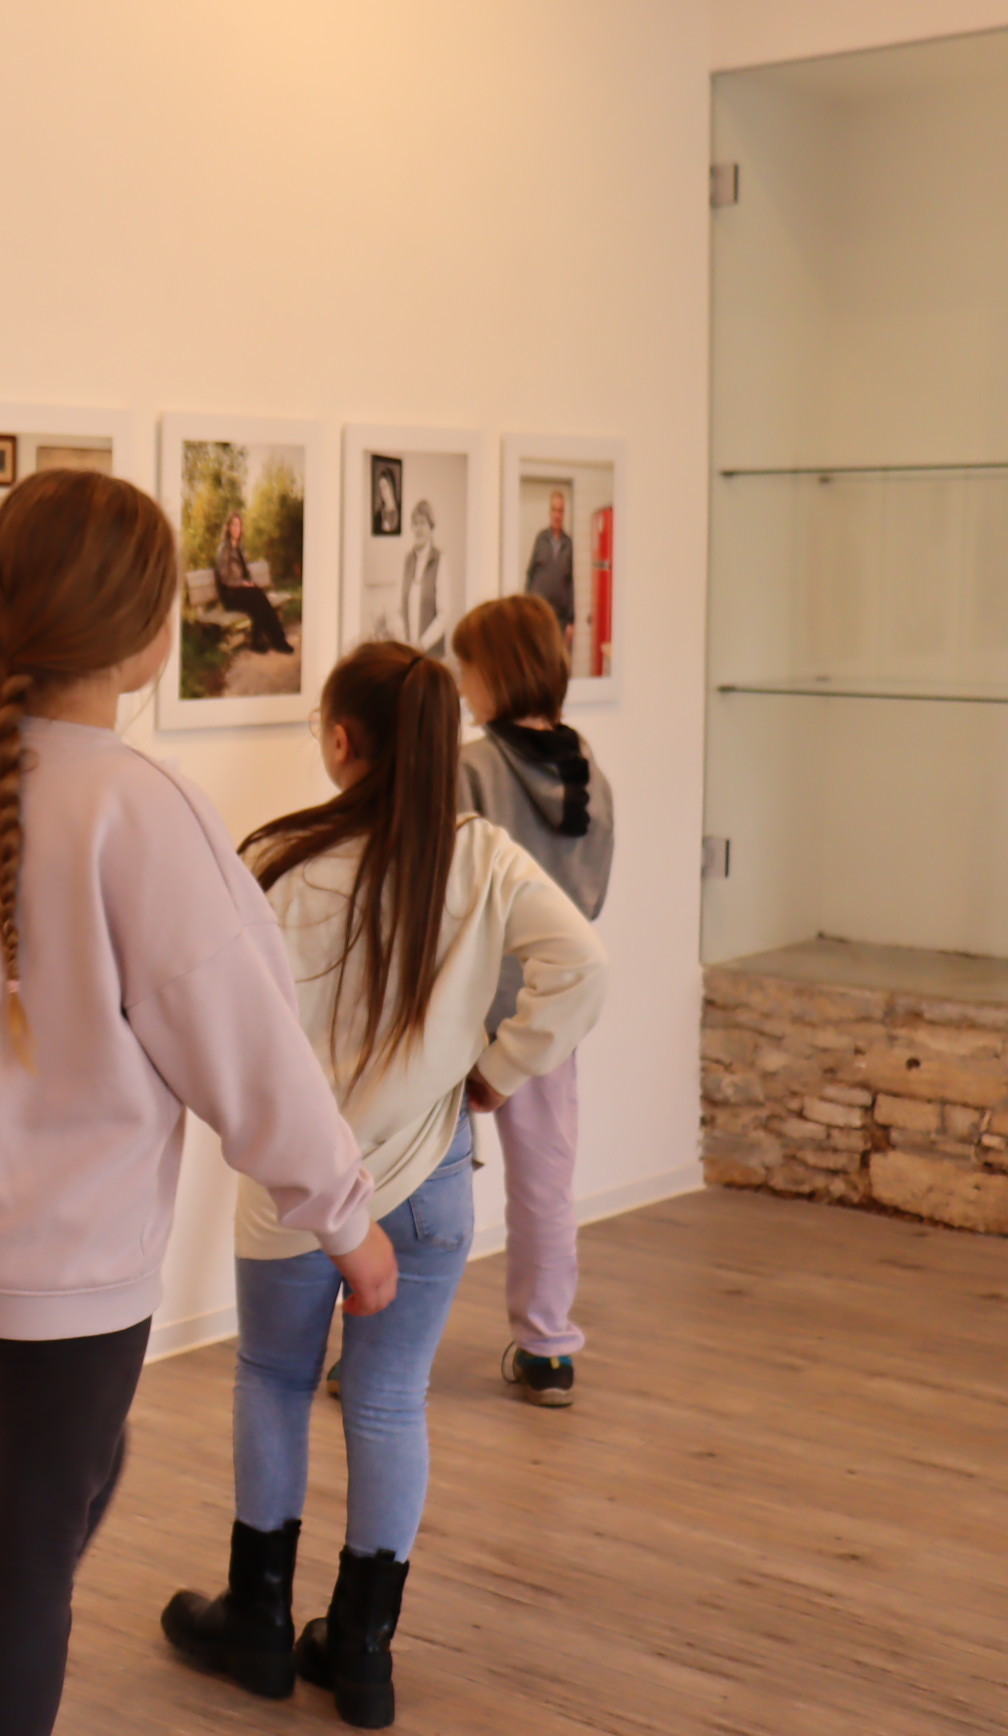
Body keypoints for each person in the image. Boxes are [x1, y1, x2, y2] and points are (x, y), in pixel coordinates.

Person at [0, 468, 394, 1736]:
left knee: (61, 1481)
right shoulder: (143, 807)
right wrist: (345, 1215)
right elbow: (244, 1038)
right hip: (68, 1265)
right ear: (144, 636)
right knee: (29, 1549)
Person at [162, 641, 606, 1730]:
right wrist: (496, 1072)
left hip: (294, 1191)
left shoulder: (275, 857)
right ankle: (361, 1652)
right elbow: (582, 966)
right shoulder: (484, 857)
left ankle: (260, 1625)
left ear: (342, 740)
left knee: (272, 1380)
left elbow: (228, 1028)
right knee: (390, 1400)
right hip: (432, 1188)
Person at [451, 595, 614, 1408]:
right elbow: (590, 904)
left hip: (458, 1009)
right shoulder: (587, 765)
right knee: (546, 1183)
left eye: (464, 668)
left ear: (491, 674)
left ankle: (373, 1347)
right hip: (549, 1014)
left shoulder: (470, 768)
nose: (459, 682)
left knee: (416, 1183)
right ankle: (548, 1347)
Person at [213, 511, 293, 655]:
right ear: (228, 528)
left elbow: (246, 572)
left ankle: (272, 640)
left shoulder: (241, 548)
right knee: (258, 598)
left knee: (259, 600)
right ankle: (273, 640)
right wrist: (243, 584)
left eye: (239, 525)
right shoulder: (224, 549)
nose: (237, 528)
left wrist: (248, 583)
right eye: (234, 525)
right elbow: (225, 578)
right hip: (230, 594)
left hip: (242, 592)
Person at [524, 489, 577, 637]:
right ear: (550, 512)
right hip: (538, 614)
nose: (557, 515)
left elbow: (570, 582)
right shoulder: (541, 539)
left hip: (560, 619)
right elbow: (530, 574)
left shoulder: (569, 544)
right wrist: (526, 609)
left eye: (560, 511)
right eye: (554, 510)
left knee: (556, 659)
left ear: (564, 514)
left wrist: (571, 621)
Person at [395, 501, 445, 656]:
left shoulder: (440, 560)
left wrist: (422, 645)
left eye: (423, 523)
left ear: (431, 527)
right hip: (408, 651)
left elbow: (444, 615)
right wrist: (405, 642)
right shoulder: (406, 561)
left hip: (431, 653)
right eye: (415, 523)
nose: (419, 528)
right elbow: (397, 611)